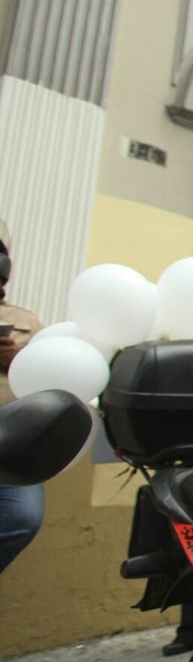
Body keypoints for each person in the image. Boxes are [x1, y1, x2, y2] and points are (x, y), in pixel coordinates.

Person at [0, 220, 46, 574]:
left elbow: (46, 384)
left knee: (22, 516)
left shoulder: (25, 322)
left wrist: (16, 361)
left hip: (11, 444)